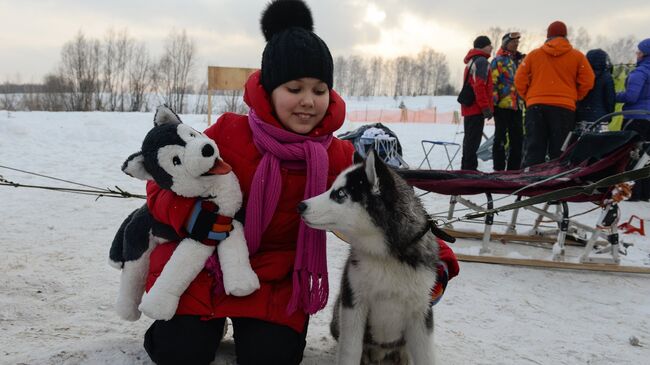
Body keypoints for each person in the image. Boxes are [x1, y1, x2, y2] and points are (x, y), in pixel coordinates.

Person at [140, 1, 460, 364]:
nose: (308, 101)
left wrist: (437, 259)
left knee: (272, 359)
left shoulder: (337, 155)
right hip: (204, 264)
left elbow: (388, 207)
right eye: (294, 88)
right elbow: (161, 184)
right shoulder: (227, 133)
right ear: (269, 89)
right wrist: (187, 214)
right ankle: (201, 326)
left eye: (319, 89)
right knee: (178, 352)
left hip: (276, 278)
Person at [515, 21, 595, 167]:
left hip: (536, 107)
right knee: (559, 151)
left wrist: (530, 97)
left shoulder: (534, 55)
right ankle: (555, 182)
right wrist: (575, 97)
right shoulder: (577, 57)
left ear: (548, 36)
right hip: (564, 109)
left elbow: (519, 79)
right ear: (565, 36)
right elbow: (588, 80)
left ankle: (528, 182)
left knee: (534, 148)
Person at [616, 38, 650, 201]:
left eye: (638, 52)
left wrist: (614, 96)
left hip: (636, 117)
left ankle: (631, 192)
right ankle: (645, 192)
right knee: (646, 156)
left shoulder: (640, 72)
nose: (636, 54)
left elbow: (631, 96)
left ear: (644, 54)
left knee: (631, 154)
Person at [490, 32, 526, 170]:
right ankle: (498, 169)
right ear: (505, 44)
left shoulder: (521, 61)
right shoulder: (498, 61)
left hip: (517, 106)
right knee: (500, 138)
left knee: (517, 139)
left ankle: (514, 169)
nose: (516, 45)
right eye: (513, 42)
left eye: (517, 43)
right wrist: (493, 104)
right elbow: (492, 83)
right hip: (502, 106)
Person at [460, 35, 494, 170]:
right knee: (473, 142)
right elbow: (479, 86)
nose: (491, 47)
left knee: (469, 141)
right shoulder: (482, 62)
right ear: (482, 46)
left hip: (469, 107)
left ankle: (466, 168)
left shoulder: (472, 61)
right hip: (476, 108)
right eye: (489, 45)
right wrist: (485, 107)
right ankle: (469, 170)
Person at [576, 49, 616, 125]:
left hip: (580, 117)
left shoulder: (580, 75)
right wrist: (609, 115)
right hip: (600, 118)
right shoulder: (606, 77)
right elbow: (610, 99)